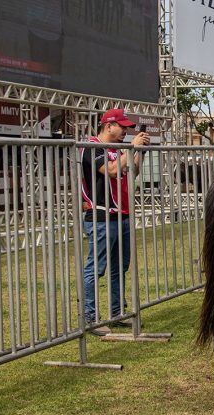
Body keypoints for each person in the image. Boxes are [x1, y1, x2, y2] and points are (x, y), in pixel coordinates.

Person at [81, 109, 149, 335]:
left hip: (123, 215)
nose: (126, 132)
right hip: (101, 216)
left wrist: (138, 152)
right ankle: (89, 319)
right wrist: (131, 148)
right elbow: (110, 170)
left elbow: (134, 172)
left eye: (128, 128)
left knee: (120, 267)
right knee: (96, 268)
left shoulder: (118, 149)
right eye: (122, 127)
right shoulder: (91, 146)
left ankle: (117, 313)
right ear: (108, 125)